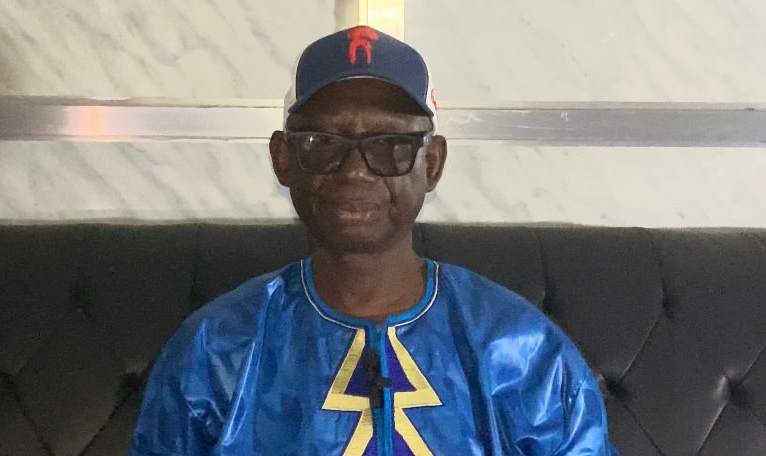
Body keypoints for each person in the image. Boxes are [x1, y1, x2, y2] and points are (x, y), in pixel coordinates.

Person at [130, 25, 619, 455]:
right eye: (323, 143)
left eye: (391, 145)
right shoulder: (216, 350)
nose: (356, 171)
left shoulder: (521, 350)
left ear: (432, 163)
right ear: (283, 158)